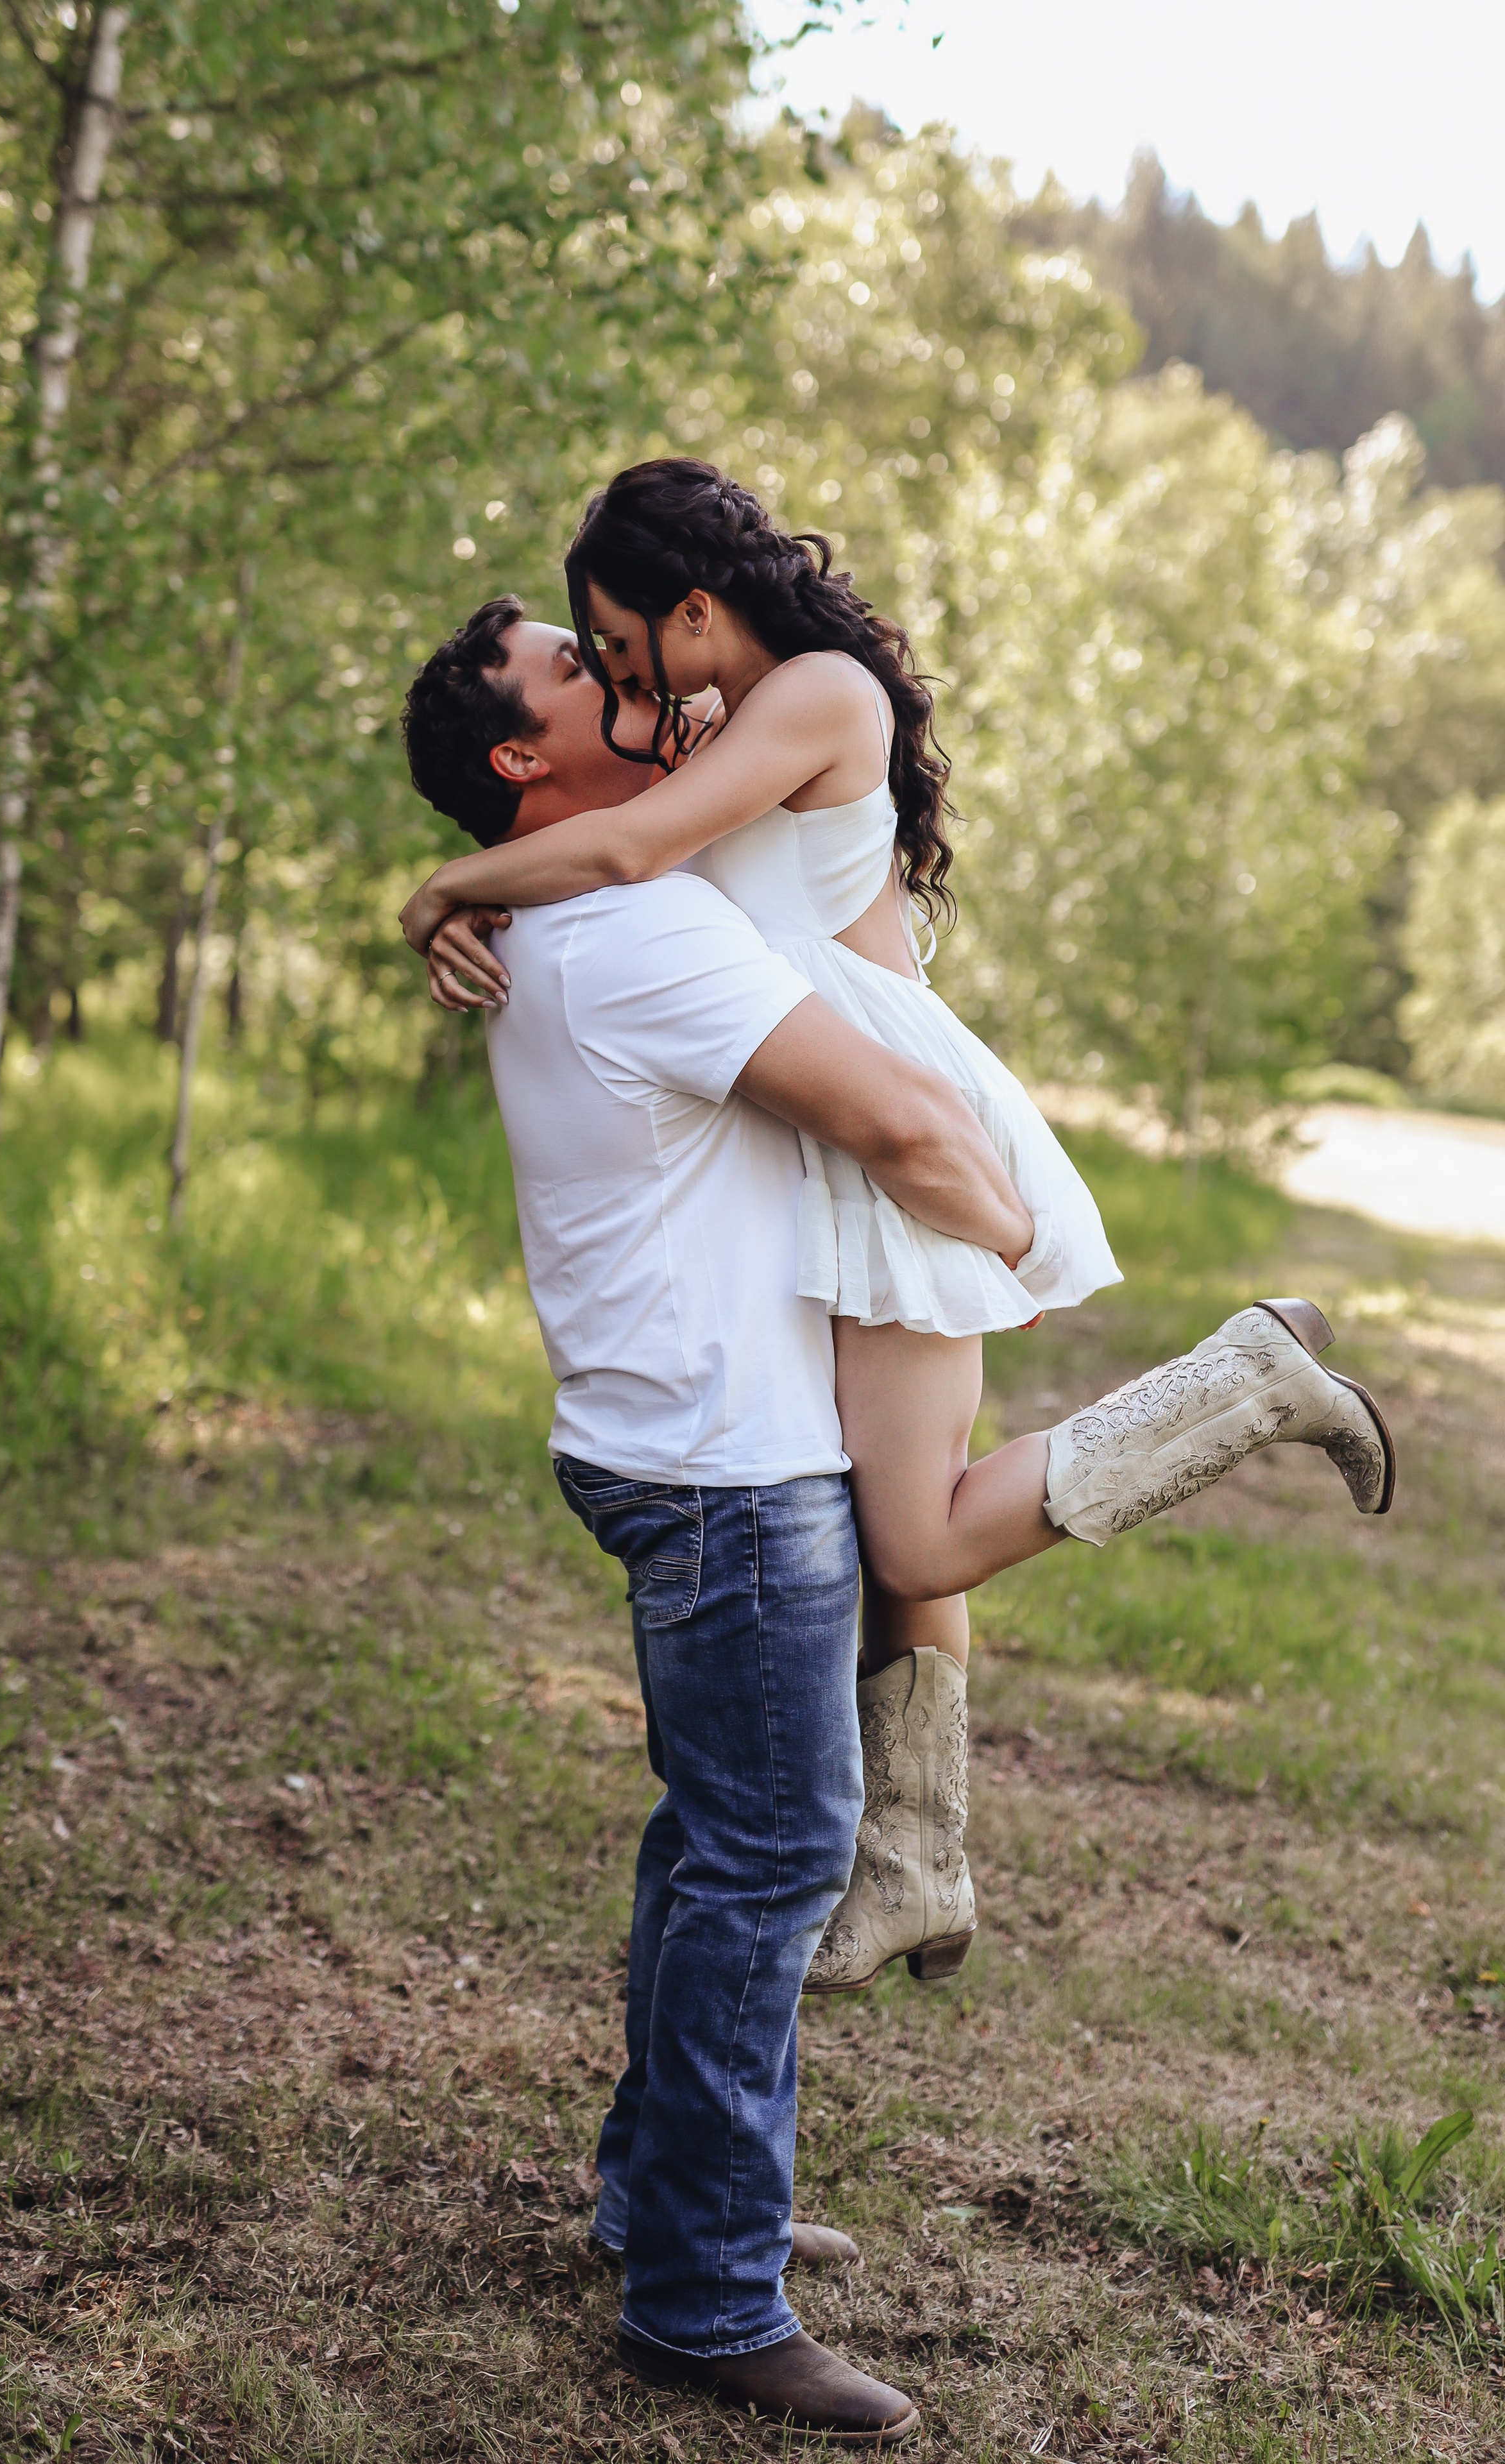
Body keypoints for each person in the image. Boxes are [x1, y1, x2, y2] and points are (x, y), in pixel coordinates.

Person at [399, 470, 1397, 1992]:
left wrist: (442, 885)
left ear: (686, 610)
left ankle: (1240, 1385)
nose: (613, 678)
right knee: (899, 1518)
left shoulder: (810, 691)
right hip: (838, 1115)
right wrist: (485, 893)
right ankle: (918, 1859)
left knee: (916, 1526)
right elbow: (611, 856)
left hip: (887, 1110)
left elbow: (613, 855)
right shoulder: (721, 712)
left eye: (611, 644)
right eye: (581, 664)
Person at [400, 595, 1051, 2442]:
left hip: (666, 1438)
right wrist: (1015, 1234)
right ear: (528, 757)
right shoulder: (630, 934)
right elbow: (895, 1123)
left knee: (712, 1849)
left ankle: (658, 2199)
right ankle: (702, 2292)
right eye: (567, 665)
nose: (618, 678)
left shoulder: (566, 909)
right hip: (726, 1469)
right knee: (767, 1865)